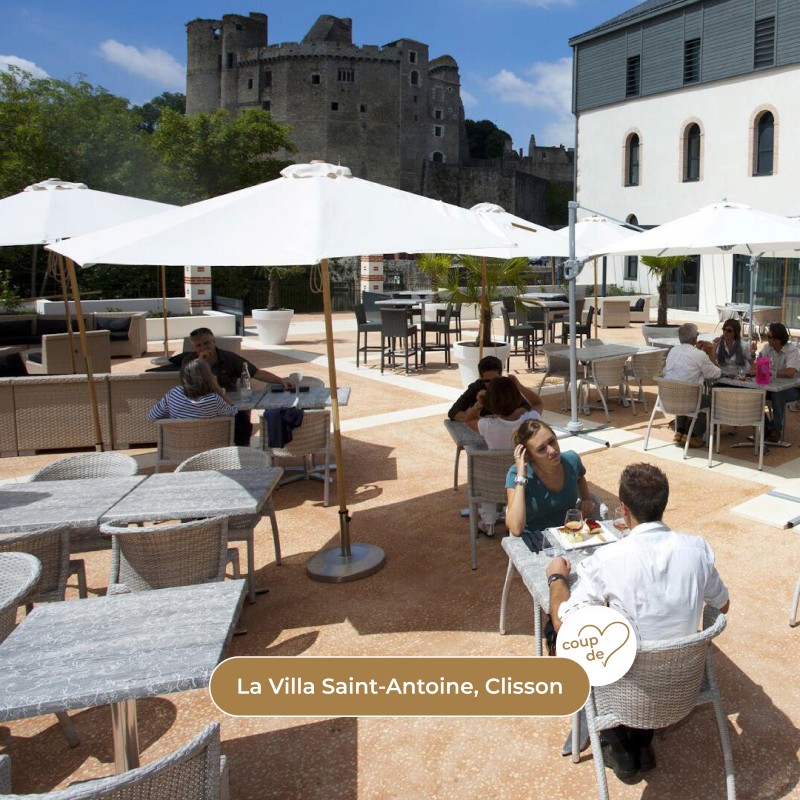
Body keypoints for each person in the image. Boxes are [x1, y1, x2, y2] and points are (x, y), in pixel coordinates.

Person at [545, 463, 729, 784]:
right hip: (682, 683)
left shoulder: (606, 560)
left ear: (625, 510)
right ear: (663, 503)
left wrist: (557, 577)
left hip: (629, 690)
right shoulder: (698, 550)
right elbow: (722, 603)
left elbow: (564, 623)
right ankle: (640, 743)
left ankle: (618, 741)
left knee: (561, 634)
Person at [173, 327, 294, 446]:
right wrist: (201, 363)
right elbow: (187, 383)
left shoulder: (228, 358)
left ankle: (242, 449)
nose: (203, 348)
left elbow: (255, 372)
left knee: (242, 418)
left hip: (226, 401)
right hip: (201, 403)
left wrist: (280, 380)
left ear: (213, 341)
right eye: (198, 345)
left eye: (206, 343)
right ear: (194, 347)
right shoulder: (189, 361)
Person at [465, 376, 541, 535]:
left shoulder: (487, 425)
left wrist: (479, 403)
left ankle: (488, 522)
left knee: (487, 478)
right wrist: (519, 385)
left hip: (492, 482)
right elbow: (537, 403)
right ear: (516, 397)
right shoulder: (529, 421)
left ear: (490, 402)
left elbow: (469, 418)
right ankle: (512, 513)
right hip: (521, 479)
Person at [505, 419, 596, 550]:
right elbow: (516, 528)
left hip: (571, 536)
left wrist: (586, 498)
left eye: (552, 441)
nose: (552, 451)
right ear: (529, 456)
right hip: (538, 542)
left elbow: (580, 477)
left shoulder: (572, 460)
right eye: (541, 449)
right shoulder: (516, 474)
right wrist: (521, 476)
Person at [663, 322, 721, 447]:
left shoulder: (672, 351)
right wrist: (711, 353)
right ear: (694, 338)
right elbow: (716, 374)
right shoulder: (699, 355)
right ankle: (695, 435)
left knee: (681, 389)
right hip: (689, 400)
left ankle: (680, 431)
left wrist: (698, 350)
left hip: (668, 399)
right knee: (714, 400)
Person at [447, 355, 543, 422]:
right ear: (481, 379)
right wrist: (484, 419)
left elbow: (526, 407)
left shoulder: (506, 386)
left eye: (495, 380)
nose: (492, 384)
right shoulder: (476, 388)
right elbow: (453, 413)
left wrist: (503, 418)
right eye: (487, 381)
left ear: (500, 375)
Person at [752, 322, 800, 443]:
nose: (767, 340)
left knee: (778, 395)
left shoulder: (792, 351)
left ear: (778, 340)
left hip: (793, 388)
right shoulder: (768, 348)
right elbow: (756, 367)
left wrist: (770, 372)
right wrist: (753, 356)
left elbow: (790, 373)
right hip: (771, 386)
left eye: (769, 337)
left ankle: (776, 430)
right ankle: (767, 426)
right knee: (753, 394)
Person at [147, 358, 237, 421]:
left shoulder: (174, 394)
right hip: (211, 446)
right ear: (209, 378)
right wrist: (219, 390)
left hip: (178, 446)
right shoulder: (213, 399)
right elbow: (234, 411)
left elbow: (151, 417)